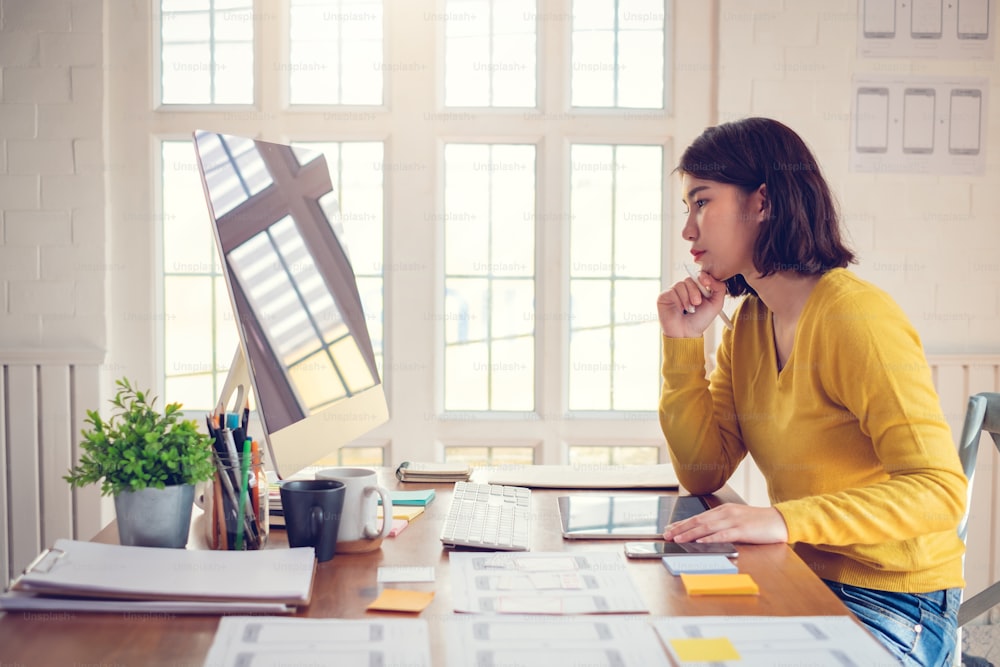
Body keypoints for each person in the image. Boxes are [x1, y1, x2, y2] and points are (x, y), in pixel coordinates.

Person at [657, 117, 967, 667]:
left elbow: (940, 491)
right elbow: (703, 472)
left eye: (701, 202)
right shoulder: (751, 321)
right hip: (802, 578)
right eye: (687, 208)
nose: (687, 230)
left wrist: (784, 519)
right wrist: (683, 346)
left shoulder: (856, 317)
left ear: (763, 202)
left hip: (897, 601)